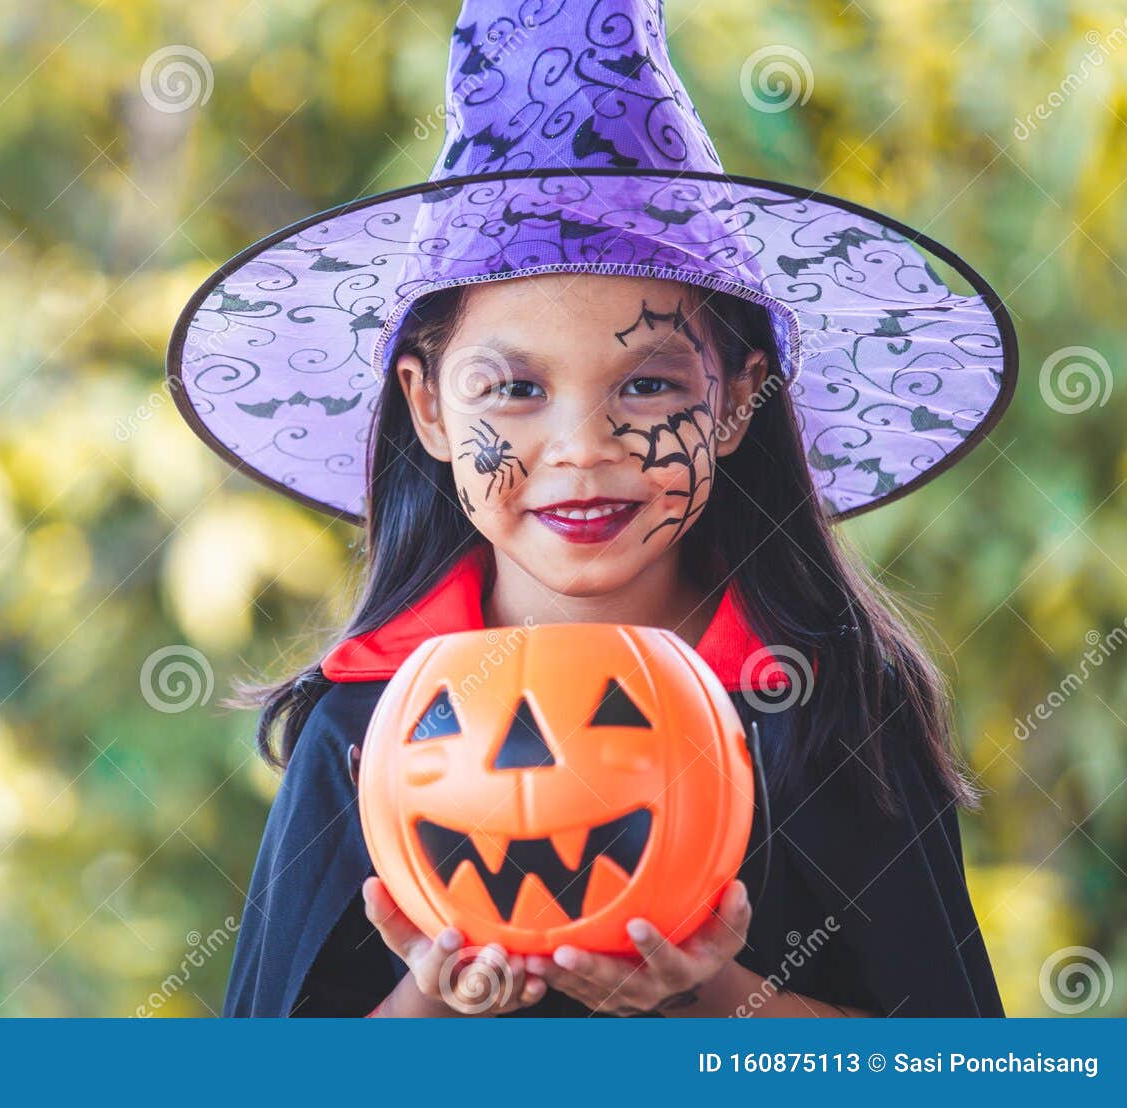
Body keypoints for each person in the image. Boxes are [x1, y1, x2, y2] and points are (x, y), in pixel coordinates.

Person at [165, 0, 1015, 1018]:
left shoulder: (832, 707)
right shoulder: (361, 725)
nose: (581, 449)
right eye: (514, 389)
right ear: (428, 406)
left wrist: (706, 996)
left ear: (739, 397)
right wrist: (433, 1008)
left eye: (648, 385)